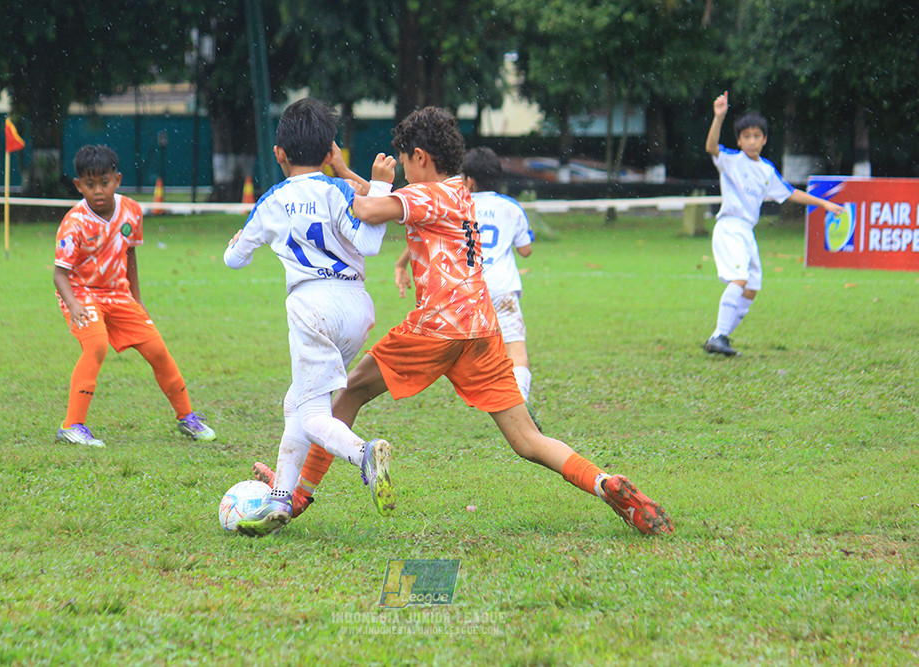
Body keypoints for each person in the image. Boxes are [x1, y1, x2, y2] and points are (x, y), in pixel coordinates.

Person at [261, 107, 673, 536]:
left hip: (437, 327)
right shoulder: (458, 192)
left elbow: (366, 210)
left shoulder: (423, 196)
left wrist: (327, 182)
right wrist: (345, 170)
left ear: (419, 157)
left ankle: (297, 496)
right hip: (482, 331)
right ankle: (605, 483)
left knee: (347, 394)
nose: (400, 169)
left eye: (402, 161)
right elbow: (387, 202)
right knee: (527, 440)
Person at [222, 98, 397, 537]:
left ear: (279, 153)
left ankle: (364, 452)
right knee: (295, 403)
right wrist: (376, 188)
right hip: (356, 306)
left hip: (311, 307)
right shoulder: (339, 191)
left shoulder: (272, 200)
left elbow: (234, 260)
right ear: (328, 153)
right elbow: (372, 243)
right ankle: (280, 499)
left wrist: (237, 242)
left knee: (313, 411)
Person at [53, 145, 215, 448]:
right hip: (82, 295)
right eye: (90, 184)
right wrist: (73, 305)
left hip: (119, 295)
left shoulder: (131, 210)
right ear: (78, 185)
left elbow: (130, 255)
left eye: (105, 182)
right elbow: (59, 274)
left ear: (117, 179)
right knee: (97, 346)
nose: (98, 190)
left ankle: (187, 417)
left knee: (158, 351)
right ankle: (72, 425)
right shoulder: (74, 223)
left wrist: (137, 299)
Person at [703, 91, 844, 357]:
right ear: (739, 140)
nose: (752, 141)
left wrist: (824, 204)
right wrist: (718, 117)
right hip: (730, 227)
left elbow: (791, 193)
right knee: (740, 279)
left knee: (752, 286)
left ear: (765, 139)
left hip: (747, 231)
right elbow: (712, 147)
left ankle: (718, 337)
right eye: (746, 136)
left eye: (757, 136)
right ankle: (719, 335)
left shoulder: (767, 170)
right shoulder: (732, 160)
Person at [394, 146, 536, 406]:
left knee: (466, 347)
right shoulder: (511, 207)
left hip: (468, 286)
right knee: (515, 346)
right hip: (502, 287)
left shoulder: (459, 202)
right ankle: (521, 398)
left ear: (468, 180)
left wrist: (401, 264)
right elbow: (525, 250)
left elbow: (428, 235)